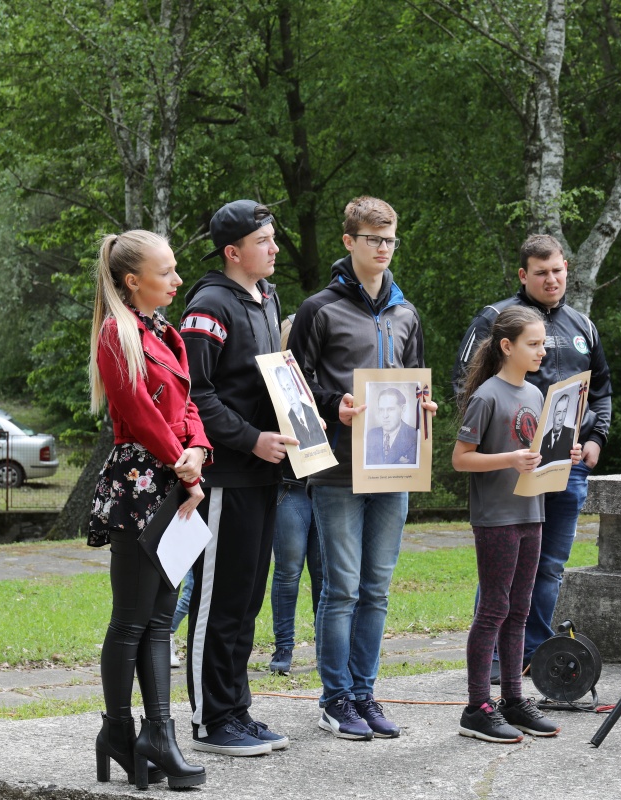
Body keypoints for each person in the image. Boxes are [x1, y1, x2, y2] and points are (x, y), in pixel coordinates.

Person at [290, 196, 437, 740]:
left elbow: (414, 377)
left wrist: (424, 407)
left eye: (390, 239)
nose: (383, 248)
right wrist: (336, 406)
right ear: (349, 241)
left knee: (377, 588)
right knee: (342, 589)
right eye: (373, 239)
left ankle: (364, 693)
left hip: (395, 468)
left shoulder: (406, 312)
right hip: (336, 469)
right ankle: (335, 700)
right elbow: (295, 386)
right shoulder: (318, 309)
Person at [451, 234, 612, 668]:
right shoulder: (497, 319)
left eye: (557, 270)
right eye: (541, 272)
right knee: (503, 569)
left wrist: (596, 439)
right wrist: (502, 447)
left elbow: (602, 391)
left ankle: (531, 656)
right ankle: (495, 658)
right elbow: (464, 385)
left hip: (568, 464)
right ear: (524, 275)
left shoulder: (583, 326)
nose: (551, 279)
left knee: (550, 564)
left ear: (566, 269)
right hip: (512, 469)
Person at [87, 230, 208, 789]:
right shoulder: (118, 333)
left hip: (173, 477)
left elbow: (188, 406)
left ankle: (158, 734)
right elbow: (137, 412)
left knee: (160, 617)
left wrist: (198, 450)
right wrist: (184, 466)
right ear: (133, 280)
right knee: (132, 618)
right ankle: (119, 731)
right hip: (140, 483)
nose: (178, 280)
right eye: (167, 272)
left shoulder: (165, 332)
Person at [179, 199, 297, 756]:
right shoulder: (208, 306)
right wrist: (251, 439)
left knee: (247, 601)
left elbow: (273, 381)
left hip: (264, 475)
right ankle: (209, 721)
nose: (274, 248)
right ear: (232, 251)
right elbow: (195, 396)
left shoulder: (267, 297)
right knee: (218, 602)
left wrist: (308, 417)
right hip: (225, 476)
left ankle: (235, 709)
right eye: (263, 241)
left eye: (273, 238)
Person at [452, 306, 576, 743]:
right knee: (493, 610)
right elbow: (461, 459)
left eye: (543, 344)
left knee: (520, 611)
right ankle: (476, 707)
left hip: (531, 513)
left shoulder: (537, 395)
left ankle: (513, 700)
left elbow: (536, 452)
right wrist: (510, 458)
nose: (542, 352)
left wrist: (563, 454)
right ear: (507, 346)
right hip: (497, 518)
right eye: (534, 344)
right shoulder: (487, 396)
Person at [270, 317, 323, 677]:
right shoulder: (274, 383)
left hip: (325, 487)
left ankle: (326, 650)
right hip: (289, 486)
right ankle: (284, 649)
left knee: (325, 574)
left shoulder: (326, 379)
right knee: (288, 571)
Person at [275, 365, 327, 450]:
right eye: (284, 390)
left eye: (289, 388)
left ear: (295, 387)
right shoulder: (285, 419)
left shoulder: (311, 412)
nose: (289, 397)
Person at [365, 387, 420, 466]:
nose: (385, 415)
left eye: (390, 409)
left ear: (403, 409)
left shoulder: (414, 436)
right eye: (381, 410)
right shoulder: (371, 435)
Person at [538, 393, 575, 464]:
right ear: (553, 415)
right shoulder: (543, 440)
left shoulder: (571, 434)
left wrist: (575, 455)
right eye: (558, 413)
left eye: (564, 412)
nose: (561, 418)